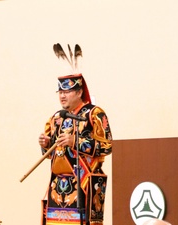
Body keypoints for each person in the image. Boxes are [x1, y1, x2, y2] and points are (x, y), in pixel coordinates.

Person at [38, 44, 113, 225]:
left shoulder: (94, 114)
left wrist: (76, 141)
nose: (62, 96)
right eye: (60, 92)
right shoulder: (56, 118)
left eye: (67, 92)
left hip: (84, 184)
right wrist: (46, 144)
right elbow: (51, 154)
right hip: (58, 185)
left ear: (79, 92)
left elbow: (108, 146)